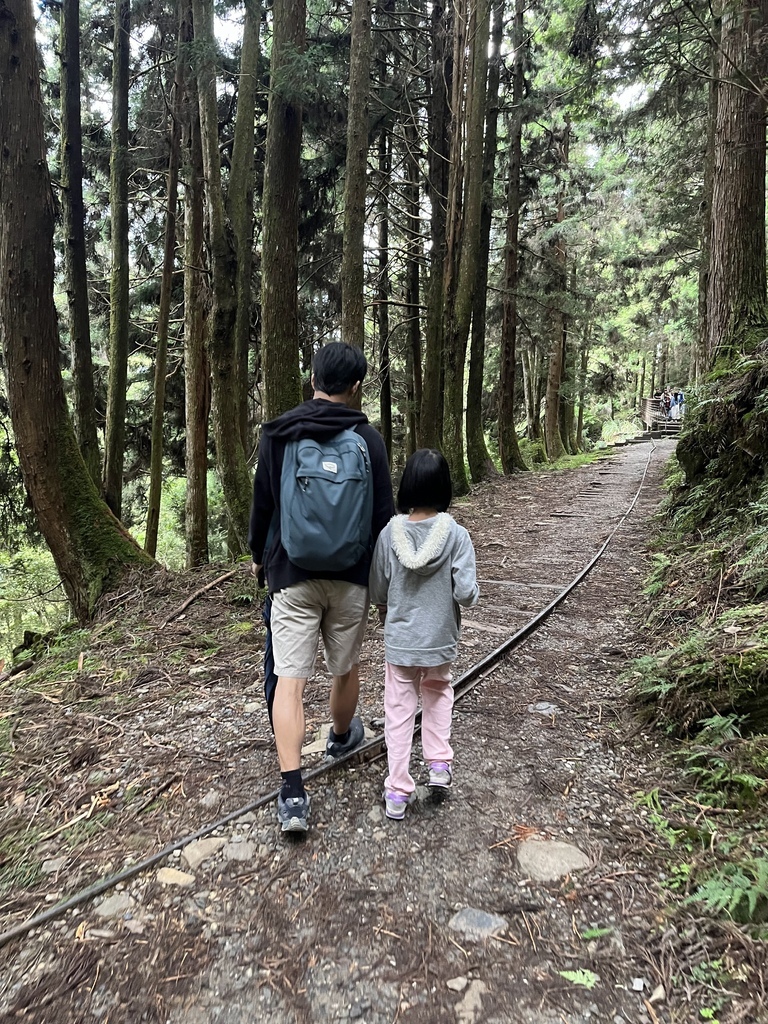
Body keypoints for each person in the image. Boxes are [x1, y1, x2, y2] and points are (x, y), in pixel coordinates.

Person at [249, 342, 394, 834]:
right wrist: (382, 587)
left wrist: (259, 559)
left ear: (312, 377)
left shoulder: (281, 433)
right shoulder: (368, 439)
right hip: (351, 575)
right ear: (355, 387)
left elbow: (262, 508)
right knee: (344, 668)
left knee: (290, 681)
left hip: (292, 574)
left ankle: (292, 794)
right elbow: (382, 520)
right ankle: (339, 736)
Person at [368, 449, 479, 821]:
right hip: (440, 639)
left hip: (400, 641)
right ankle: (438, 766)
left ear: (407, 486)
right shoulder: (457, 535)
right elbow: (466, 593)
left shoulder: (389, 533)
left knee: (399, 712)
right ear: (445, 487)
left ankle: (397, 792)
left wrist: (387, 608)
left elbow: (378, 588)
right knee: (437, 695)